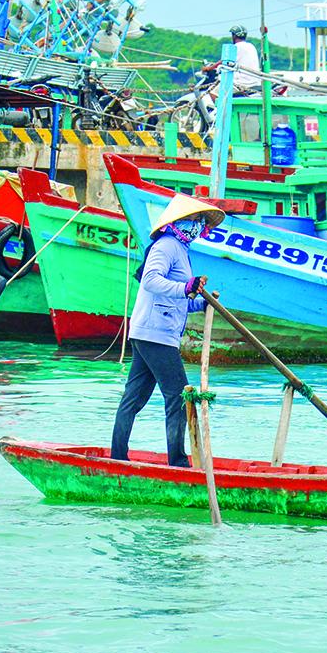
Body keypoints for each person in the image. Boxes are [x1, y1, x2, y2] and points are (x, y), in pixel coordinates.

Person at [110, 193, 225, 466]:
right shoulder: (166, 245)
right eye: (195, 219)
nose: (198, 225)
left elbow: (178, 298)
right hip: (156, 333)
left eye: (200, 221)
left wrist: (201, 303)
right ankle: (177, 461)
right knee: (179, 396)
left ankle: (117, 457)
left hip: (151, 332)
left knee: (133, 399)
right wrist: (186, 287)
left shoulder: (181, 251)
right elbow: (151, 280)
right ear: (179, 221)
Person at [204, 25, 261, 94]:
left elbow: (224, 61)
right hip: (255, 81)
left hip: (243, 82)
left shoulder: (235, 47)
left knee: (212, 91)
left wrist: (209, 68)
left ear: (234, 36)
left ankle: (220, 102)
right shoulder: (251, 46)